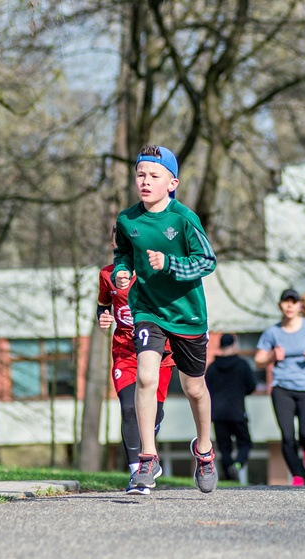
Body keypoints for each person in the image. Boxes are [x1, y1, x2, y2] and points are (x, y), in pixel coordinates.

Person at [112, 144, 218, 495]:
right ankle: (147, 457)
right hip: (148, 309)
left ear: (171, 183)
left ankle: (204, 450)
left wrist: (171, 264)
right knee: (145, 375)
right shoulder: (127, 219)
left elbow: (207, 261)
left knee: (194, 389)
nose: (145, 181)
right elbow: (123, 253)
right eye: (141, 174)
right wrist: (123, 273)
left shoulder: (184, 219)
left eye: (154, 176)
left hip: (187, 314)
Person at [96, 225, 175, 494]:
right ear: (114, 244)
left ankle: (149, 448)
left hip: (158, 353)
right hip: (125, 353)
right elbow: (103, 304)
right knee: (129, 408)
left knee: (154, 414)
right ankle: (137, 473)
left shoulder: (154, 272)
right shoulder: (106, 275)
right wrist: (103, 316)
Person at [254, 289, 305, 486]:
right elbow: (258, 360)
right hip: (282, 388)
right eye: (286, 302)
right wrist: (272, 356)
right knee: (288, 436)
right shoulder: (272, 332)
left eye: (293, 302)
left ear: (299, 306)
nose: (289, 305)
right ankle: (298, 476)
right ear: (281, 306)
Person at [205, 333, 257, 482]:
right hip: (237, 412)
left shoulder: (213, 368)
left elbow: (206, 389)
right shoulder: (242, 364)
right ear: (234, 345)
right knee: (245, 443)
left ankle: (229, 474)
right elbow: (251, 386)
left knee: (224, 447)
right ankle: (238, 464)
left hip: (218, 414)